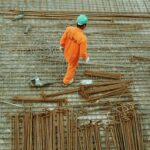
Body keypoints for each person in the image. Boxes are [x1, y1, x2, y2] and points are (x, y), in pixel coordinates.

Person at [60, 14, 90, 85]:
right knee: (72, 67)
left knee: (69, 61)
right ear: (84, 26)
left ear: (77, 23)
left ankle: (67, 62)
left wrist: (62, 46)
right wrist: (86, 58)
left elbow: (63, 38)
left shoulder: (69, 29)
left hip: (66, 51)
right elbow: (83, 53)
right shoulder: (83, 38)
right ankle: (67, 80)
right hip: (73, 56)